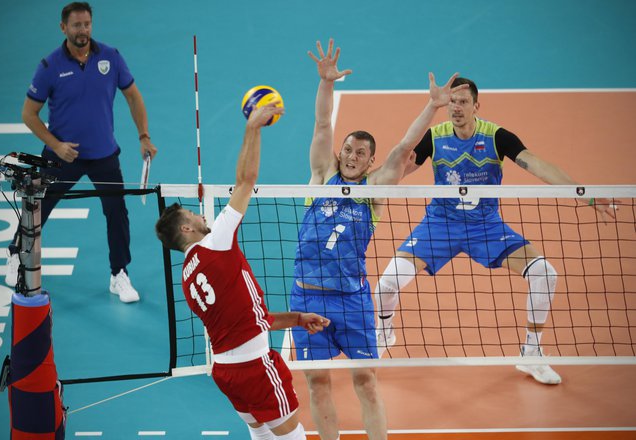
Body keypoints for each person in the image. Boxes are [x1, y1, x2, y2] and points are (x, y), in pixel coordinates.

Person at [373, 77, 618, 385]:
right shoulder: (434, 137)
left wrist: (585, 193)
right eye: (452, 102)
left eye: (463, 102)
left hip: (486, 227)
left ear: (477, 106)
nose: (456, 108)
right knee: (385, 284)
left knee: (545, 274)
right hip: (439, 225)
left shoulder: (497, 137)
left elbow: (538, 165)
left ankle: (531, 352)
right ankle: (384, 334)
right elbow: (396, 171)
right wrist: (362, 184)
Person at [290, 39, 468, 440]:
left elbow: (405, 147)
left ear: (372, 162)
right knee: (318, 383)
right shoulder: (320, 179)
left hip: (352, 299)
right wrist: (326, 83)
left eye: (361, 152)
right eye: (348, 149)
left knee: (366, 381)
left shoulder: (374, 191)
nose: (352, 155)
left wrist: (434, 106)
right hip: (307, 297)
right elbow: (322, 126)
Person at [155, 100, 330, 440]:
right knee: (292, 435)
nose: (200, 215)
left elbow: (242, 322)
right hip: (254, 367)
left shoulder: (187, 278)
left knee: (261, 432)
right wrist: (252, 129)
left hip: (226, 372)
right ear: (186, 230)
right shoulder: (215, 242)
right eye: (193, 215)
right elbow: (245, 180)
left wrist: (294, 319)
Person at [5, 2, 157, 303]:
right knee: (38, 209)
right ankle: (15, 254)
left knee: (117, 213)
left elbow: (133, 97)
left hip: (104, 155)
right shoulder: (49, 67)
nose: (83, 30)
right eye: (76, 25)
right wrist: (57, 144)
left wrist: (143, 136)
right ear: (64, 28)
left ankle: (119, 274)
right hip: (62, 155)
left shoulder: (111, 58)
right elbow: (29, 114)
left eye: (87, 24)